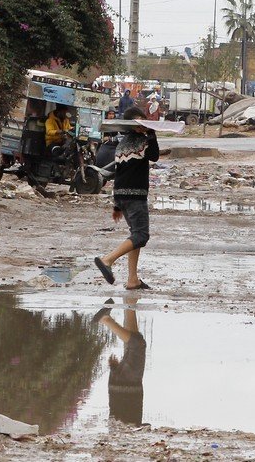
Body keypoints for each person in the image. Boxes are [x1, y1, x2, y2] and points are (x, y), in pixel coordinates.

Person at [94, 107, 159, 290]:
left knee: (135, 236)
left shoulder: (122, 144)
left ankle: (133, 279)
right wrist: (152, 134)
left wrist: (116, 205)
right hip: (135, 196)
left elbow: (118, 173)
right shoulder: (142, 141)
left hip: (122, 195)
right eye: (139, 122)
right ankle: (108, 260)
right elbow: (154, 156)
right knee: (141, 236)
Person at [94, 297, 146, 426]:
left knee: (138, 345)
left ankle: (106, 320)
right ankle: (129, 305)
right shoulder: (117, 431)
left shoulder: (128, 434)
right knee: (133, 340)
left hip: (129, 387)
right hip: (117, 388)